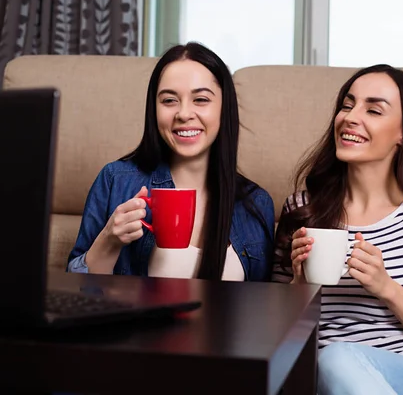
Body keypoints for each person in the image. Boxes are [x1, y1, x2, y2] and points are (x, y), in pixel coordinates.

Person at [272, 64, 403, 394]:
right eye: (347, 104)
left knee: (336, 357)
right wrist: (297, 285)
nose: (351, 116)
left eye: (373, 109)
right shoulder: (301, 211)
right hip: (329, 379)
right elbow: (274, 337)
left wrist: (387, 288)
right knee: (334, 360)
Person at [67, 42, 274, 282]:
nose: (184, 114)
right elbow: (75, 291)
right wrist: (109, 241)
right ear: (153, 109)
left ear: (224, 109)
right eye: (169, 101)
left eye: (201, 99)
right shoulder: (116, 180)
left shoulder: (257, 203)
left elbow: (264, 303)